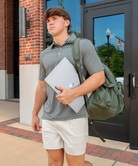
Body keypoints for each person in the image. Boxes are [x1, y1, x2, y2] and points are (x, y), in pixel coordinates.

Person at [32, 7, 105, 166]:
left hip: (74, 117)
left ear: (67, 22)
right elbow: (42, 87)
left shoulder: (83, 45)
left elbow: (99, 77)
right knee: (53, 163)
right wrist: (34, 114)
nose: (50, 23)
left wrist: (74, 93)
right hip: (50, 118)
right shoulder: (45, 54)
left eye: (55, 19)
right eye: (48, 21)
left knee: (76, 164)